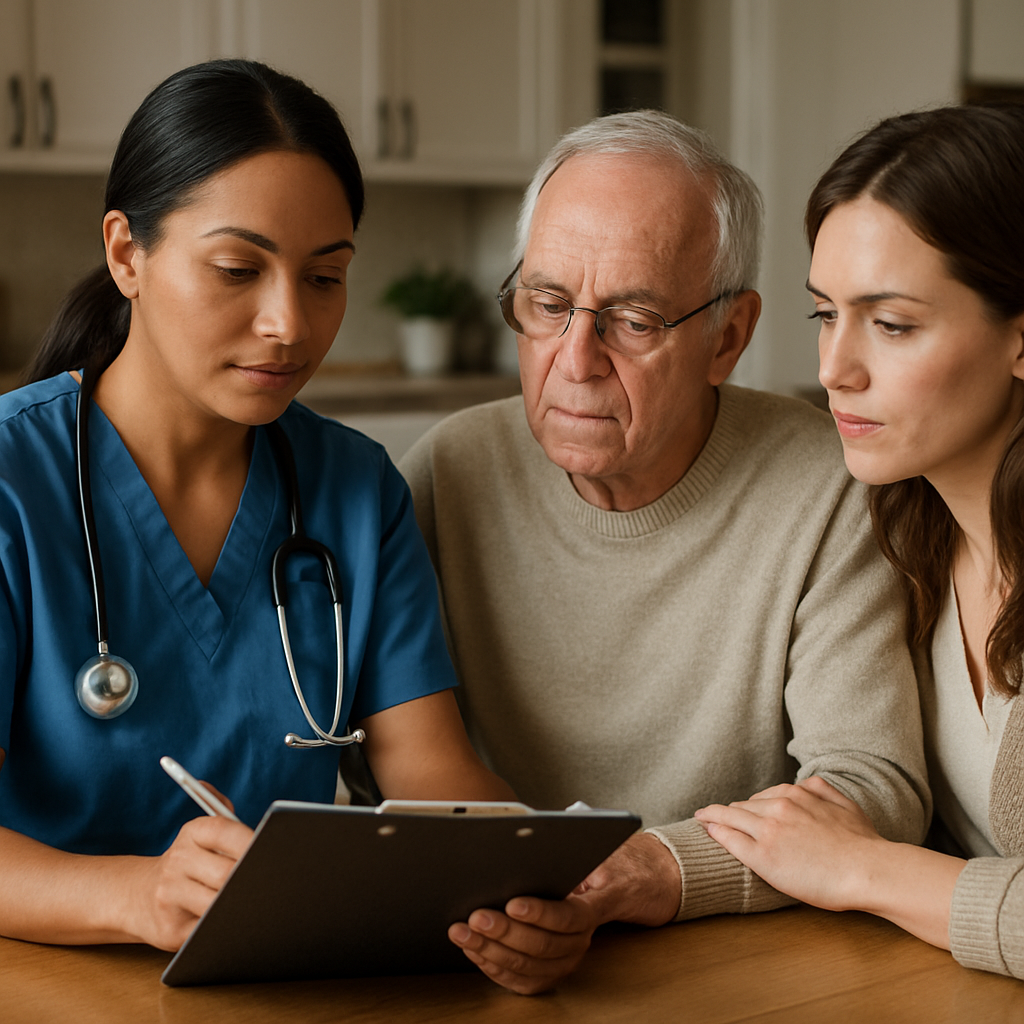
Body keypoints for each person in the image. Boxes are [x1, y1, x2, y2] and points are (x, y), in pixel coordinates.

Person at [399, 109, 931, 991]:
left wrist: (645, 872)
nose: (574, 358)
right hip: (465, 953)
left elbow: (871, 786)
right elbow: (365, 764)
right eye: (547, 304)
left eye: (633, 319)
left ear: (728, 336)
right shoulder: (447, 472)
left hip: (740, 968)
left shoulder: (831, 487)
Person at [0, 59, 519, 956]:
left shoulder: (355, 490)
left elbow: (432, 775)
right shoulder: (14, 482)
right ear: (128, 254)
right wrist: (136, 894)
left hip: (278, 980)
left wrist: (518, 887)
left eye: (325, 278)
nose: (289, 323)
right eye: (239, 269)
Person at [694, 104, 1024, 980]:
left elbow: (861, 855)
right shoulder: (909, 535)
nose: (835, 368)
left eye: (893, 323)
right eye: (824, 315)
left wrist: (862, 867)